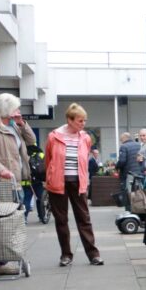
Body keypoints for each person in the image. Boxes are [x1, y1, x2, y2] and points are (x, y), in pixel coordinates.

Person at [44, 104, 103, 267]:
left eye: (84, 121)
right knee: (61, 220)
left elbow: (85, 158)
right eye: (79, 121)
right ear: (69, 120)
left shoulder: (85, 138)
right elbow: (48, 160)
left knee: (84, 219)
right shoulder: (53, 136)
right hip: (58, 182)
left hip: (78, 182)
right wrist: (49, 178)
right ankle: (66, 255)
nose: (83, 124)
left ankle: (93, 254)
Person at [116, 132, 142, 210]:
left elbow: (122, 161)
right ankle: (138, 209)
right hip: (139, 172)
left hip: (128, 174)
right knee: (138, 192)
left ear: (124, 138)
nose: (121, 141)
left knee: (127, 192)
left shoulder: (124, 146)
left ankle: (129, 210)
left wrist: (117, 166)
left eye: (121, 139)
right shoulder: (139, 145)